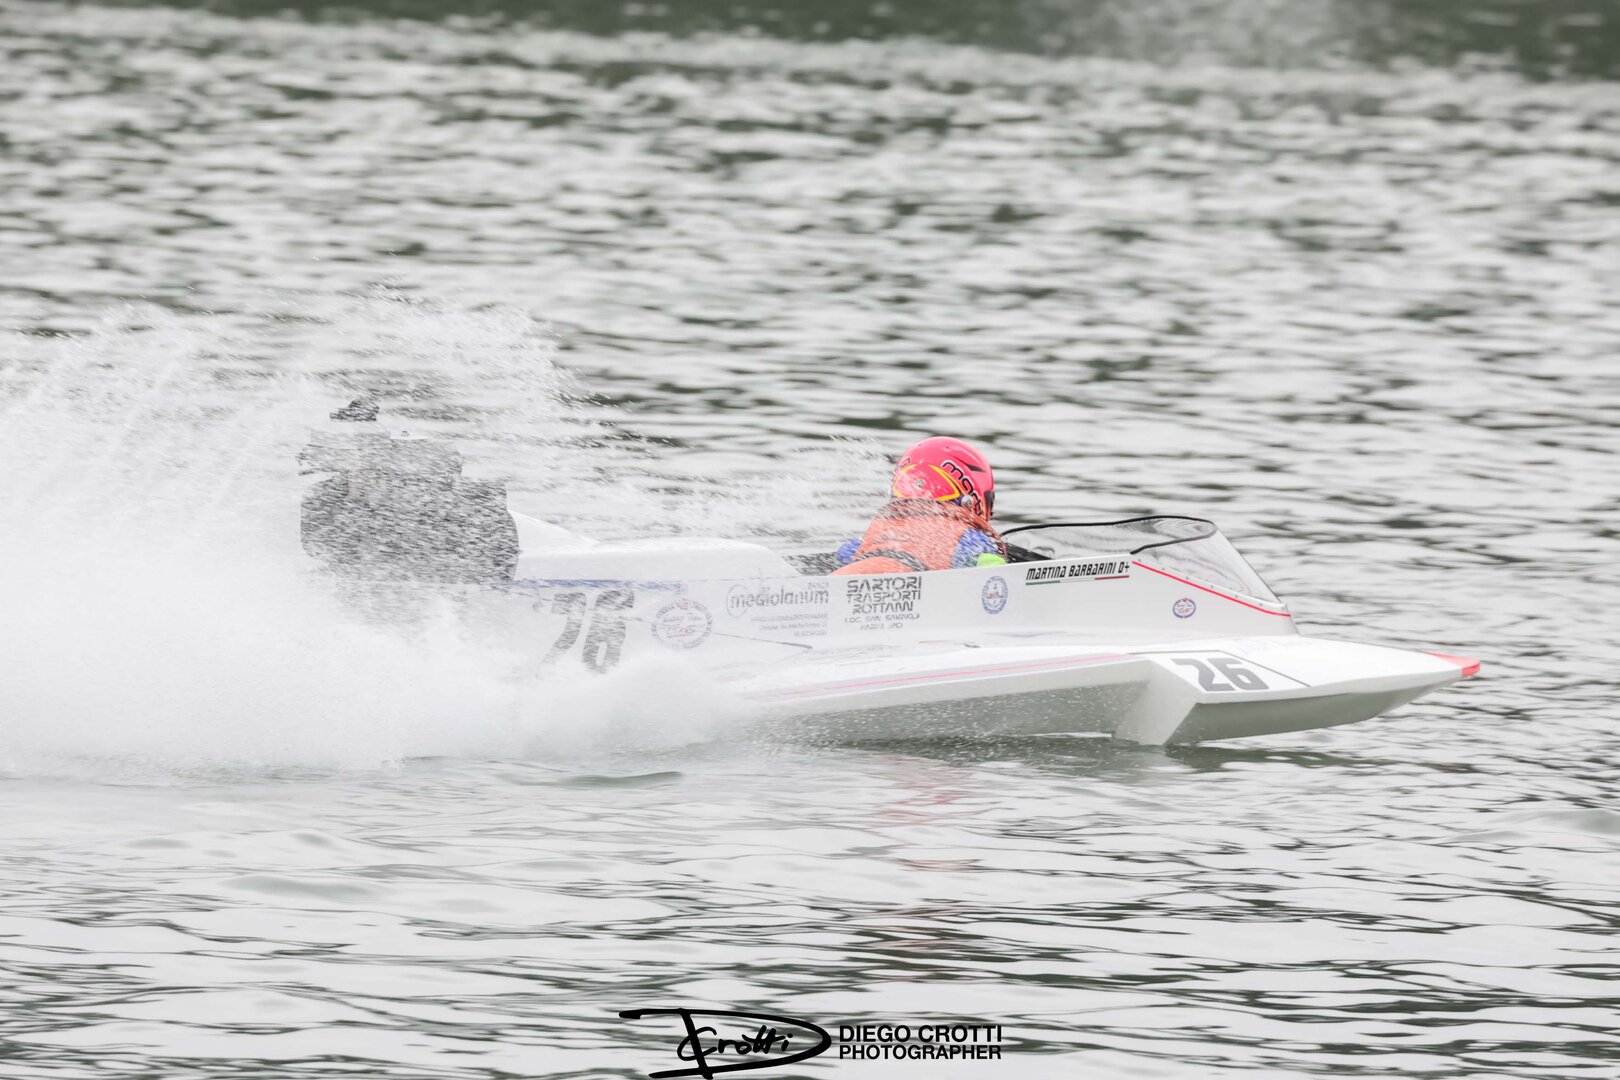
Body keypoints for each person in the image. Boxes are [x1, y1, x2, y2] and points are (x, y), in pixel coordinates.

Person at [831, 436, 1007, 575]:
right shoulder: (970, 539)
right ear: (972, 498)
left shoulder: (879, 529)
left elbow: (845, 553)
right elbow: (995, 576)